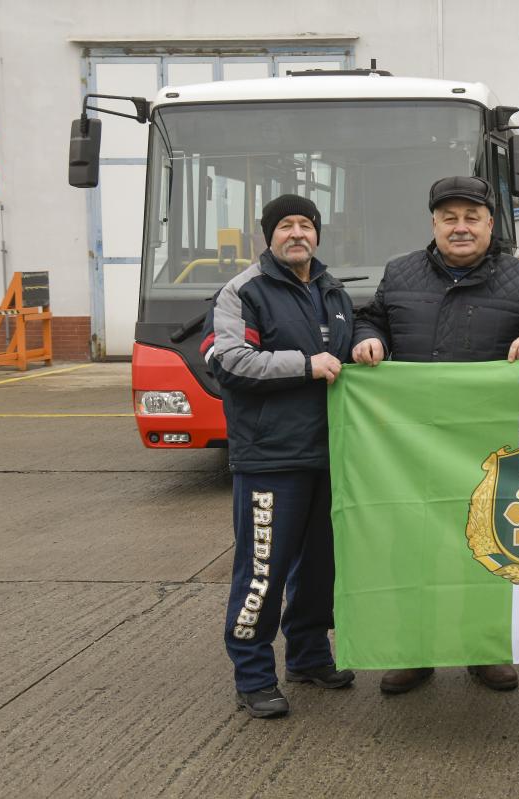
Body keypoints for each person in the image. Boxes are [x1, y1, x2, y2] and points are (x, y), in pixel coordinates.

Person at [351, 175, 519, 694]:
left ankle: (484, 650)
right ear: (434, 223)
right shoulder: (399, 273)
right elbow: (368, 319)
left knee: (486, 547)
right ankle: (415, 650)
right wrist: (369, 339)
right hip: (409, 447)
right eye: (450, 218)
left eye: (472, 218)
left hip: (486, 445)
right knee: (412, 549)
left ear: (490, 224)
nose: (461, 227)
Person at [203, 194, 356, 719]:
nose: (297, 234)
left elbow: (350, 352)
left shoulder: (334, 291)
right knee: (261, 572)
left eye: (306, 226)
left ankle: (310, 656)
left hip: (329, 457)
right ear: (268, 236)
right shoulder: (243, 292)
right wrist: (306, 365)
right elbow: (229, 363)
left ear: (318, 234)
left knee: (319, 569)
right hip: (270, 460)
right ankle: (252, 675)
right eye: (286, 226)